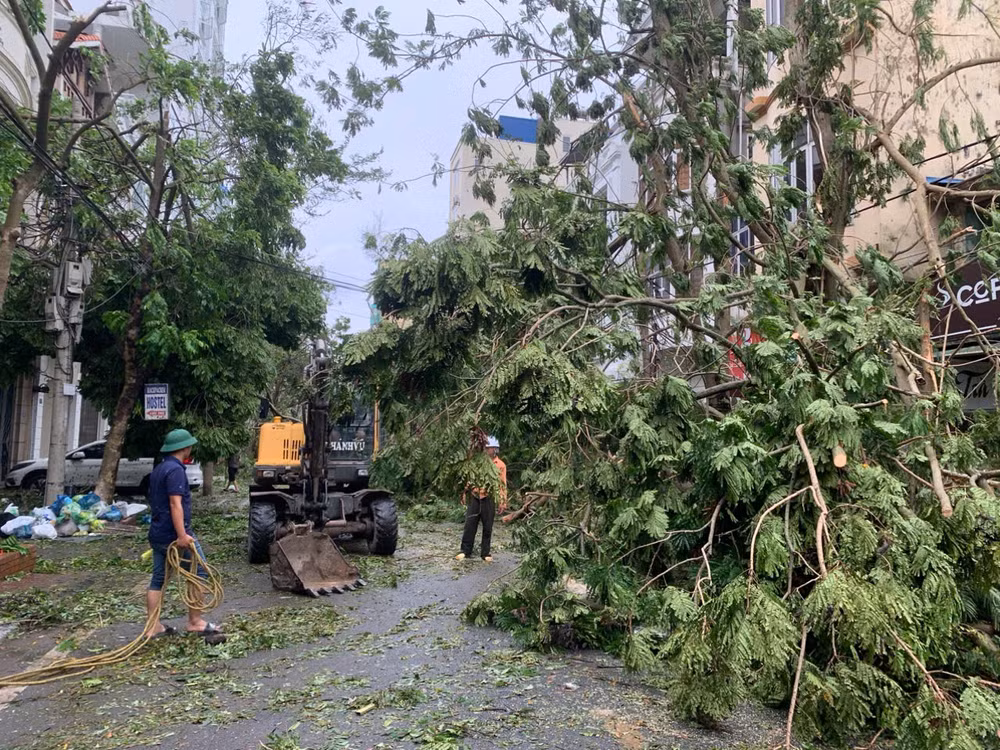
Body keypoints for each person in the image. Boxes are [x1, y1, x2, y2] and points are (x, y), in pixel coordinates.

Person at [146, 428, 225, 641]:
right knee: (199, 573)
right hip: (175, 536)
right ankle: (195, 622)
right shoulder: (175, 471)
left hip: (158, 533)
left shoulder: (159, 469)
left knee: (158, 580)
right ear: (185, 448)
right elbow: (175, 504)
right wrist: (182, 536)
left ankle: (153, 626)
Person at [456, 435, 507, 563]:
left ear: (494, 449)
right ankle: (465, 550)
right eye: (484, 447)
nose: (485, 450)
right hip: (475, 497)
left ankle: (485, 553)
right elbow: (470, 478)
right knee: (470, 525)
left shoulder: (500, 465)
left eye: (488, 448)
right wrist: (464, 492)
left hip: (488, 498)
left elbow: (502, 484)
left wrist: (503, 501)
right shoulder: (477, 462)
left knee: (487, 526)